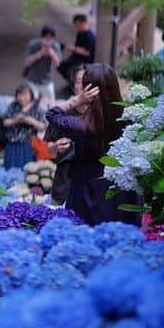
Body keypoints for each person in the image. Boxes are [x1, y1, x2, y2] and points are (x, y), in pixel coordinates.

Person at [45, 63, 140, 225]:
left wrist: (76, 100)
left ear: (88, 89)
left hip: (86, 191)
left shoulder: (81, 126)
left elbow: (52, 114)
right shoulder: (127, 118)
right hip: (119, 191)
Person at [45, 65, 86, 205]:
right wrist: (56, 147)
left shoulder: (99, 114)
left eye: (87, 80)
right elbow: (49, 147)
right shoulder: (63, 113)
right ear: (74, 86)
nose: (83, 85)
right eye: (79, 81)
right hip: (64, 180)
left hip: (88, 182)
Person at [1, 82, 47, 169]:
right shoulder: (13, 106)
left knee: (27, 170)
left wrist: (32, 121)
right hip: (12, 144)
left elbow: (43, 126)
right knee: (10, 170)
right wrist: (16, 120)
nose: (22, 98)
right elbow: (5, 122)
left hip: (28, 146)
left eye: (25, 95)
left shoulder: (37, 108)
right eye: (19, 95)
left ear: (31, 95)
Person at [22, 25, 62, 103]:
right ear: (42, 37)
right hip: (33, 80)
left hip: (47, 81)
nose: (48, 41)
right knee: (32, 103)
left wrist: (52, 54)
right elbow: (26, 62)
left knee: (50, 104)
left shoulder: (55, 46)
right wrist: (39, 54)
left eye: (51, 39)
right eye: (46, 38)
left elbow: (57, 64)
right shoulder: (33, 44)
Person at [59, 13, 96, 83]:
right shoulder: (80, 33)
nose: (77, 27)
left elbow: (87, 53)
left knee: (71, 71)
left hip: (85, 61)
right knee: (61, 66)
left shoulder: (90, 37)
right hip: (76, 58)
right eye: (76, 25)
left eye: (78, 25)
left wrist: (73, 48)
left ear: (84, 23)